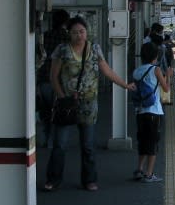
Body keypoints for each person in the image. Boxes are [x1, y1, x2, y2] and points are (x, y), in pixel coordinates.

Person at [43, 16, 133, 191]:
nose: (79, 35)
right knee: (60, 144)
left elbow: (107, 71)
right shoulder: (62, 50)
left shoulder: (94, 49)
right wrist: (62, 97)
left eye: (82, 31)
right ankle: (53, 179)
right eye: (75, 32)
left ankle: (89, 180)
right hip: (66, 104)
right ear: (69, 33)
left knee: (88, 145)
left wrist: (125, 85)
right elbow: (53, 77)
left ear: (87, 32)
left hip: (89, 105)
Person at [131, 40, 169, 183]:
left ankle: (139, 169)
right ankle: (149, 174)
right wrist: (169, 75)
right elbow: (166, 89)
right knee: (152, 143)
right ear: (155, 56)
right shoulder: (156, 70)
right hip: (154, 111)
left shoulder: (136, 71)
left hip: (140, 112)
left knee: (143, 141)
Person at [37, 8, 70, 147]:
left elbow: (39, 56)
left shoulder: (45, 36)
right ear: (66, 22)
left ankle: (46, 138)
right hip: (61, 81)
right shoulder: (67, 39)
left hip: (44, 76)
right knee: (58, 112)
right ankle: (56, 141)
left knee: (45, 111)